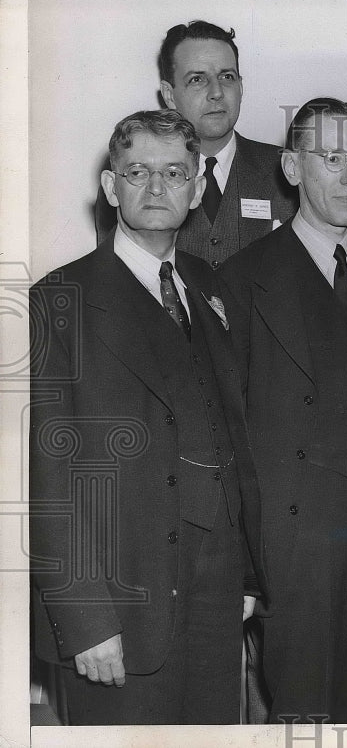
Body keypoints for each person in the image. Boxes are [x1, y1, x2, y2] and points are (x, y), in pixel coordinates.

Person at [30, 109, 264, 724]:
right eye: (138, 173)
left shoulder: (209, 284)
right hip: (120, 609)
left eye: (174, 173)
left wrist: (246, 577)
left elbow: (231, 437)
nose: (157, 188)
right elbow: (46, 478)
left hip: (215, 605)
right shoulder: (62, 300)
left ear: (193, 187)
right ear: (111, 188)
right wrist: (84, 621)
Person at [218, 98, 347, 723]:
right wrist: (247, 567)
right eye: (333, 159)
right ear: (293, 169)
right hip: (295, 545)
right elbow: (230, 439)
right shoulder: (241, 280)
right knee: (305, 716)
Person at [95, 20, 297, 266]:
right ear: (170, 94)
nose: (217, 92)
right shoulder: (132, 179)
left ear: (241, 87)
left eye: (227, 76)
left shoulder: (286, 170)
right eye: (197, 80)